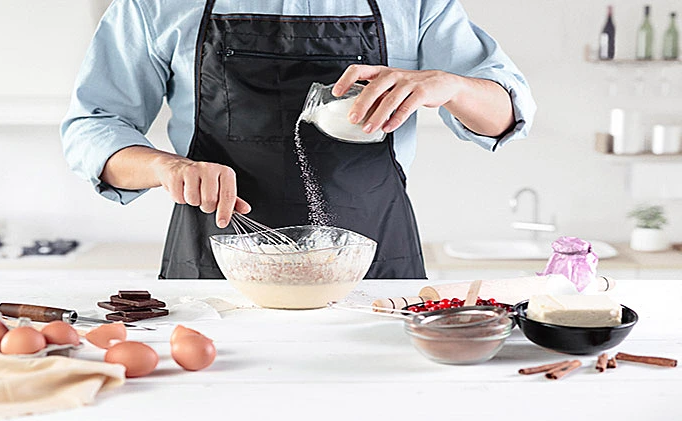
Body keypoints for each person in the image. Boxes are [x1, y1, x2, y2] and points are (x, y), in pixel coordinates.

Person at [61, 0, 536, 279]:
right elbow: (92, 124)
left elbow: (506, 114)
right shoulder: (155, 5)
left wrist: (451, 84)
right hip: (218, 268)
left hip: (371, 266)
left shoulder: (413, 4)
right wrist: (166, 168)